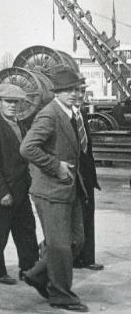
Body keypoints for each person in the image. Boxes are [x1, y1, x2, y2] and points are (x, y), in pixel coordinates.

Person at [20, 65, 89, 312]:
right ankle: (61, 294)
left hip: (69, 188)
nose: (73, 94)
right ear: (57, 92)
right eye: (67, 90)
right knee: (60, 247)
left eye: (76, 89)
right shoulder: (50, 114)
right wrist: (55, 166)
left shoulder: (70, 113)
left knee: (76, 240)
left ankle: (38, 275)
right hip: (51, 190)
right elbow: (27, 148)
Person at [0, 83, 39, 285]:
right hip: (4, 193)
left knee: (27, 231)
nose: (13, 106)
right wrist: (1, 193)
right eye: (9, 102)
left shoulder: (20, 125)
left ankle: (30, 269)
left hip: (21, 190)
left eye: (17, 102)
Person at [72, 81, 103, 271]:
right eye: (76, 91)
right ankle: (73, 259)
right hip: (71, 176)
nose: (80, 94)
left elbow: (87, 151)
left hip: (86, 176)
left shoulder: (81, 114)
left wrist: (93, 178)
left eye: (82, 91)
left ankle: (87, 259)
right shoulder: (62, 116)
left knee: (87, 217)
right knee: (72, 221)